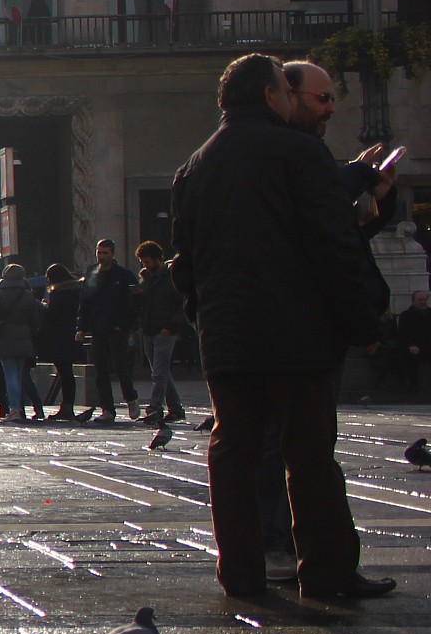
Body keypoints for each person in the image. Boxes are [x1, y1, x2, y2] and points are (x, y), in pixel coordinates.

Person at [170, 51, 391, 600]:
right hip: (297, 336)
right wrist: (363, 321)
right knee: (310, 457)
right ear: (271, 95)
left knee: (234, 454)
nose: (295, 100)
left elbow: (184, 264)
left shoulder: (194, 166)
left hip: (228, 340)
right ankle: (326, 571)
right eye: (288, 92)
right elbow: (333, 244)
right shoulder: (300, 153)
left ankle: (240, 574)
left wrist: (205, 319)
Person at [75, 240, 134, 424]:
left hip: (117, 329)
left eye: (105, 253)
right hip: (98, 329)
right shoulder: (92, 274)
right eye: (99, 253)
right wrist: (81, 327)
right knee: (100, 370)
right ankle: (107, 409)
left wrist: (123, 324)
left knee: (121, 367)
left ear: (113, 254)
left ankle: (130, 398)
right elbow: (84, 303)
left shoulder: (123, 275)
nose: (102, 256)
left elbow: (132, 304)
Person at [133, 239, 189, 423]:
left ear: (157, 259)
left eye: (148, 261)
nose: (145, 265)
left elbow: (181, 304)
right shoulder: (147, 279)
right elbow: (144, 304)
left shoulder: (171, 277)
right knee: (161, 371)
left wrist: (172, 326)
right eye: (143, 262)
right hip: (149, 329)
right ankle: (176, 409)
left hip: (165, 330)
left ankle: (154, 408)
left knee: (158, 372)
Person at [0, 264, 42, 422]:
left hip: (5, 338)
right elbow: (35, 320)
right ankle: (20, 407)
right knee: (19, 374)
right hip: (24, 337)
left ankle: (15, 409)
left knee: (10, 374)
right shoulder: (28, 295)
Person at [36, 263, 81, 420]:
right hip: (70, 335)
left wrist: (43, 307)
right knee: (66, 372)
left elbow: (53, 314)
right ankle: (67, 406)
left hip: (59, 337)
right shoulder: (75, 290)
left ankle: (67, 407)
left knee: (64, 372)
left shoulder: (60, 293)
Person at [400, 290, 431, 398]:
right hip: (414, 347)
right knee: (409, 357)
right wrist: (411, 345)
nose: (423, 302)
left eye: (425, 300)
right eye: (420, 300)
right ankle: (413, 385)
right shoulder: (406, 315)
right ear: (413, 301)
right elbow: (404, 334)